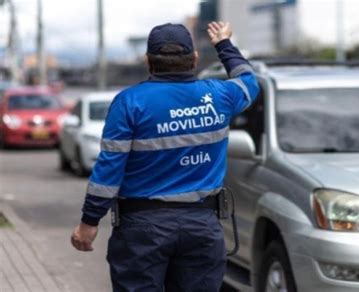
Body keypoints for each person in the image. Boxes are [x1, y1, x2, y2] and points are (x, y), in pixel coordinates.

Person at [70, 21, 259, 291]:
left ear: (149, 61)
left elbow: (109, 170)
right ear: (194, 58)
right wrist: (224, 45)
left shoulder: (129, 102)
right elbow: (249, 81)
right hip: (202, 227)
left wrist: (89, 222)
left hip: (142, 231)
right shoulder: (220, 95)